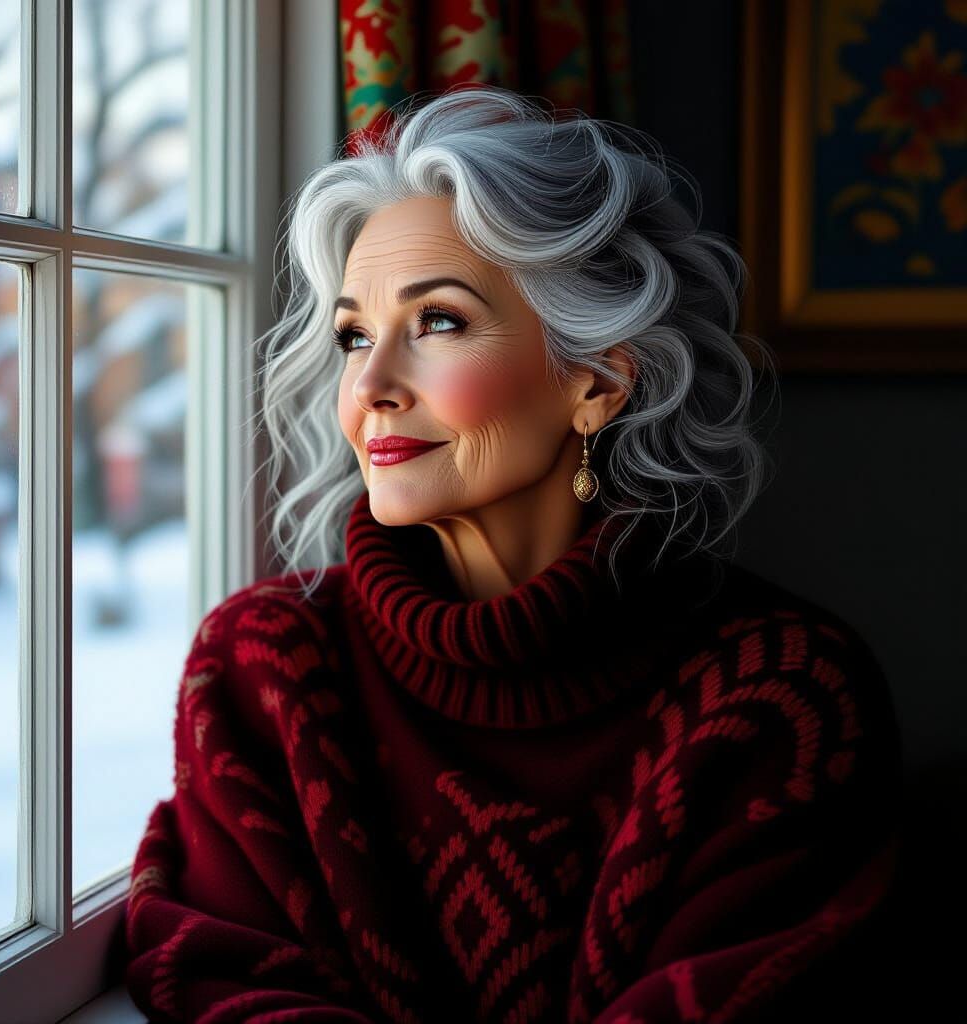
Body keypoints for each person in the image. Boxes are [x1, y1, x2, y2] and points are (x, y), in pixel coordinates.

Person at [121, 85, 904, 1023]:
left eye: (438, 322)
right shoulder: (263, 667)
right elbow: (225, 980)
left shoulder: (782, 692)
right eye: (354, 335)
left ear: (598, 379)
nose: (369, 385)